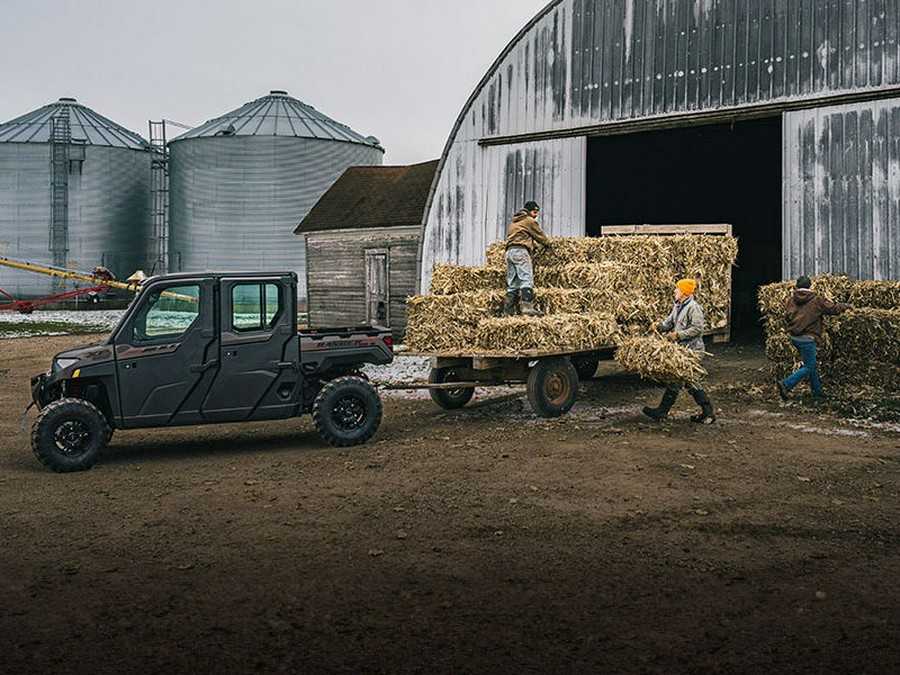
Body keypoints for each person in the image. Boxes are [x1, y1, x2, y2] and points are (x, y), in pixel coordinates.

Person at [642, 278, 716, 424]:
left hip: (693, 351)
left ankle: (708, 413)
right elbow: (669, 323)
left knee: (689, 380)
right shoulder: (677, 306)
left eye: (677, 289)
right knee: (679, 380)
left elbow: (697, 329)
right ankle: (663, 412)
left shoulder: (693, 308)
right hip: (682, 350)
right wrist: (658, 326)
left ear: (684, 292)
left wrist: (678, 335)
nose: (674, 291)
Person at [777, 275, 849, 400]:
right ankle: (786, 384)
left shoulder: (790, 300)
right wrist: (845, 306)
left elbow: (787, 316)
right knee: (809, 366)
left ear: (797, 286)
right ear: (810, 286)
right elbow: (832, 309)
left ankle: (817, 392)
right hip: (807, 338)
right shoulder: (816, 300)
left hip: (794, 336)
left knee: (812, 365)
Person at [503, 200, 551, 317]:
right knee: (526, 279)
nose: (536, 215)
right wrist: (548, 244)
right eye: (534, 212)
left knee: (513, 283)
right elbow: (540, 236)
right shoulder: (529, 221)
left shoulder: (515, 222)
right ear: (529, 211)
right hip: (520, 251)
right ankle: (528, 309)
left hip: (509, 252)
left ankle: (507, 312)